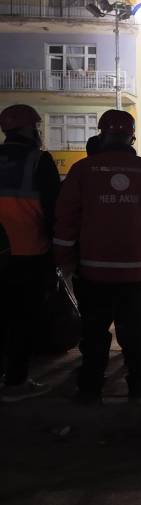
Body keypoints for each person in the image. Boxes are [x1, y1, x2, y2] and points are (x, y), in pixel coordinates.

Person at [53, 109, 141, 405]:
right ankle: (138, 385)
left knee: (94, 334)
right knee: (136, 333)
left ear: (101, 134)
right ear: (132, 136)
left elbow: (65, 218)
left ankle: (90, 388)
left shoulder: (83, 170)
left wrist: (63, 258)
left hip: (93, 271)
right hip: (136, 271)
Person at [0, 104, 61, 401]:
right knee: (22, 320)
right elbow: (53, 211)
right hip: (28, 253)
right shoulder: (39, 160)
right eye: (36, 128)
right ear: (28, 130)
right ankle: (15, 382)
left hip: (2, 251)